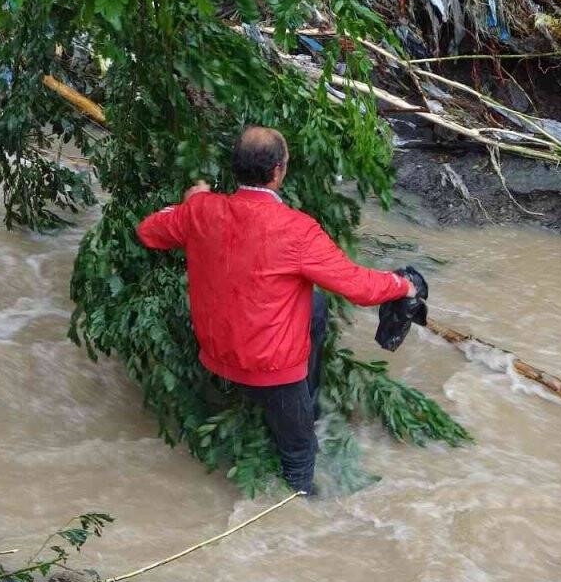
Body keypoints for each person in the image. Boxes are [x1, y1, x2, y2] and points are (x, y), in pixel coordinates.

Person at [136, 126, 418, 495]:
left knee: (315, 304)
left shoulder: (202, 211)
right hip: (270, 369)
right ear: (279, 172)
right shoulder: (297, 230)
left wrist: (191, 203)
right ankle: (301, 501)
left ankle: (306, 399)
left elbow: (148, 231)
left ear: (235, 167)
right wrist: (403, 285)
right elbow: (359, 287)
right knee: (301, 454)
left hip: (216, 351)